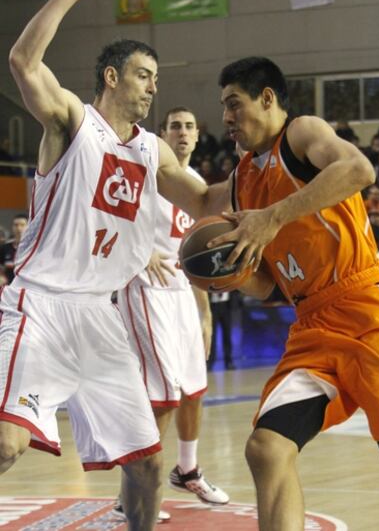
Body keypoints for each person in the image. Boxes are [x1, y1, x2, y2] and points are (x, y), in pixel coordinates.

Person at [1, 0, 233, 531]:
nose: (153, 85)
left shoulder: (153, 149)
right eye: (142, 74)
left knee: (148, 467)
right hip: (41, 306)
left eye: (156, 77)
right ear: (111, 77)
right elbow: (24, 63)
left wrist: (278, 178)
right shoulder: (73, 122)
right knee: (7, 444)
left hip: (100, 316)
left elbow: (207, 197)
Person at [204, 56, 379, 531]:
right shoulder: (242, 180)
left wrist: (272, 216)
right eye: (222, 108)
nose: (226, 119)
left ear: (267, 98)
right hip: (312, 327)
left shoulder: (300, 133)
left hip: (366, 310)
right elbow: (274, 288)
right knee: (266, 447)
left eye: (234, 104)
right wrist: (233, 275)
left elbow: (359, 170)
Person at [113, 106, 229, 522]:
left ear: (198, 136)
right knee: (161, 395)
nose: (182, 133)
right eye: (175, 126)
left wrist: (205, 314)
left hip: (183, 295)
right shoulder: (146, 175)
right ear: (161, 135)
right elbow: (112, 219)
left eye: (189, 126)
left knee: (193, 388)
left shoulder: (196, 184)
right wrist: (140, 253)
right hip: (146, 291)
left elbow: (197, 259)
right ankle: (134, 486)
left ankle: (188, 469)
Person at [207, 290, 235, 370]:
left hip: (226, 305)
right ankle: (210, 361)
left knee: (227, 334)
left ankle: (229, 360)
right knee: (212, 335)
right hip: (212, 305)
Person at [0, 213, 28, 284]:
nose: (19, 228)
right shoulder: (4, 247)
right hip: (8, 288)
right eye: (16, 225)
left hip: (26, 288)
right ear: (12, 227)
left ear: (28, 226)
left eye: (22, 225)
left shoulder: (34, 248)